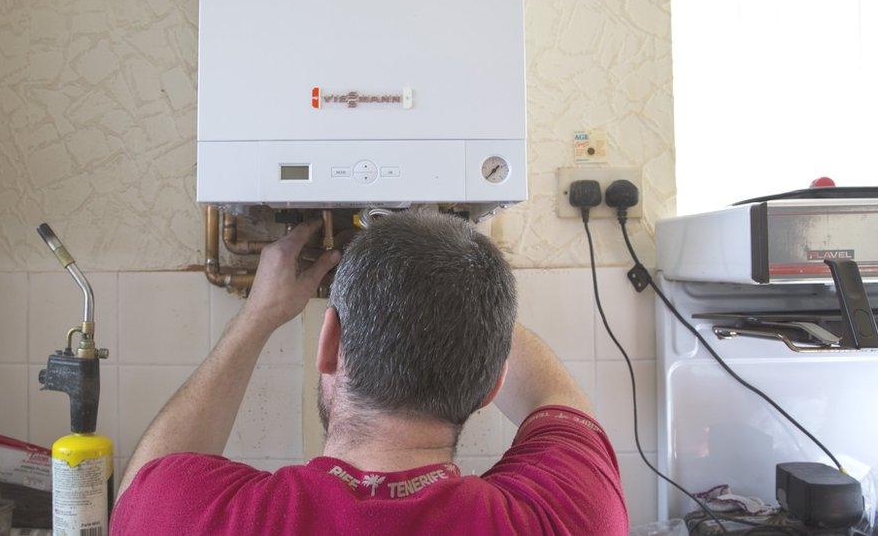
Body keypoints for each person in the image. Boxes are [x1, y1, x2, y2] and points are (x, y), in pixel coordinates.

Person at [111, 212, 628, 535]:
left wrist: (257, 317)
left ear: (329, 345)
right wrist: (457, 288)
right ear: (491, 385)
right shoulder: (573, 516)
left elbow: (141, 490)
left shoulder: (199, 518)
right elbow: (553, 398)